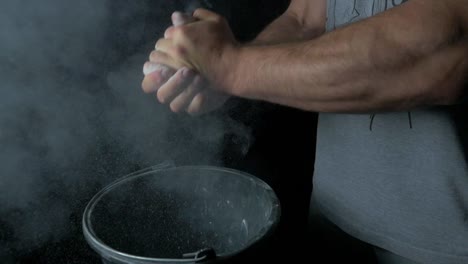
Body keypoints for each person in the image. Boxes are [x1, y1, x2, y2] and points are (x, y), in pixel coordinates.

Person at [141, 0, 468, 263]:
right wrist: (219, 75)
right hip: (331, 217)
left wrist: (234, 67)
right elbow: (305, 19)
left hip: (445, 240)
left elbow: (451, 45)